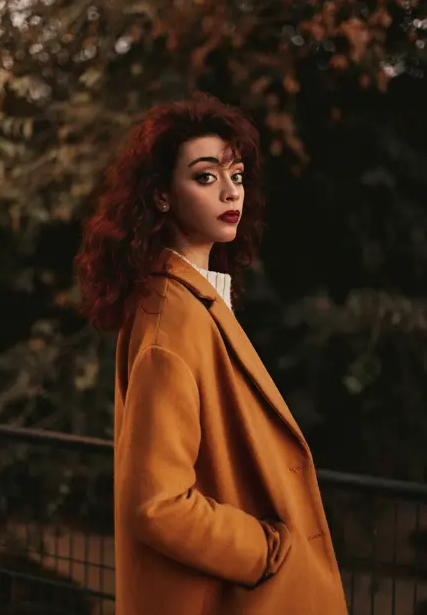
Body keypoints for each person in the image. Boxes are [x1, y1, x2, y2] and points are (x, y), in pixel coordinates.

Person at [76, 93, 348, 615]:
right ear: (160, 196)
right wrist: (268, 552)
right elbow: (156, 504)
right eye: (205, 177)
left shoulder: (191, 299)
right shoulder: (171, 321)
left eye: (237, 176)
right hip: (230, 594)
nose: (230, 192)